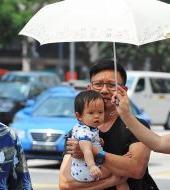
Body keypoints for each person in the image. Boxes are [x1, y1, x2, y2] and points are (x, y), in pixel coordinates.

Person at [59, 60, 158, 190]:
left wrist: (91, 152)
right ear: (89, 88)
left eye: (112, 85)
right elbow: (65, 184)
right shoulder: (77, 132)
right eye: (98, 84)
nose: (104, 90)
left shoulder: (137, 127)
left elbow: (136, 170)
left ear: (124, 90)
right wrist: (112, 180)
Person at [71, 90, 129, 190]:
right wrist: (92, 166)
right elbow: (87, 150)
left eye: (100, 112)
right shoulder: (84, 132)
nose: (97, 116)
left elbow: (92, 142)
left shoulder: (86, 127)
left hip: (79, 170)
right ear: (79, 116)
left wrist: (98, 141)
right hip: (87, 171)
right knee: (119, 171)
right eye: (91, 113)